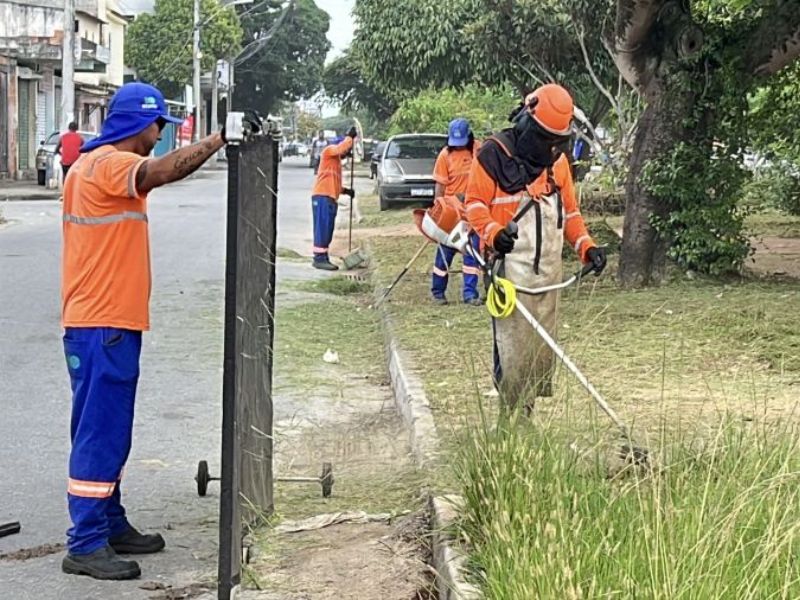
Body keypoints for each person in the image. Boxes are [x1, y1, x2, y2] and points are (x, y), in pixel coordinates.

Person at [60, 82, 228, 580]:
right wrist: (218, 140)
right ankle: (85, 542)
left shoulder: (92, 165)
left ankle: (109, 522)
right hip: (102, 322)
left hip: (101, 322)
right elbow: (160, 171)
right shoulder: (110, 164)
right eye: (159, 127)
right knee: (101, 431)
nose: (161, 137)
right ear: (141, 123)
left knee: (106, 427)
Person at [465, 83, 606, 410]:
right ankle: (509, 420)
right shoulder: (493, 155)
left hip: (548, 277)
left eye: (558, 142)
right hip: (508, 275)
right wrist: (493, 232)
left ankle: (526, 415)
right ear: (529, 123)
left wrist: (587, 247)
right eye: (545, 139)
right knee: (511, 349)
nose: (551, 149)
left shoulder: (557, 164)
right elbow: (473, 205)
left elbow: (569, 213)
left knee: (540, 354)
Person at [430, 118, 482, 306]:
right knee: (445, 252)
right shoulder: (445, 155)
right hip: (452, 214)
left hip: (474, 211)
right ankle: (438, 292)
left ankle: (470, 294)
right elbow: (440, 187)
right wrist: (438, 210)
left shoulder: (478, 149)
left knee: (472, 252)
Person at [310, 127, 357, 271]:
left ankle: (323, 256)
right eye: (345, 151)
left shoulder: (335, 163)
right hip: (322, 196)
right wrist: (350, 137)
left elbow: (333, 183)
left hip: (330, 197)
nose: (345, 154)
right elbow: (340, 149)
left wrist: (345, 191)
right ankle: (319, 258)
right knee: (322, 229)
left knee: (328, 229)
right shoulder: (329, 150)